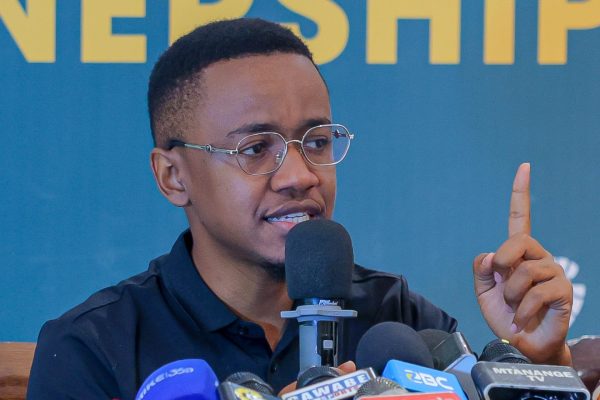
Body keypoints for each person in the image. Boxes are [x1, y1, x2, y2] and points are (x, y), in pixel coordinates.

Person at [27, 18, 573, 400]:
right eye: (254, 149)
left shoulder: (397, 320)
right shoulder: (95, 347)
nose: (300, 175)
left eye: (316, 141)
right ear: (173, 176)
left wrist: (538, 367)